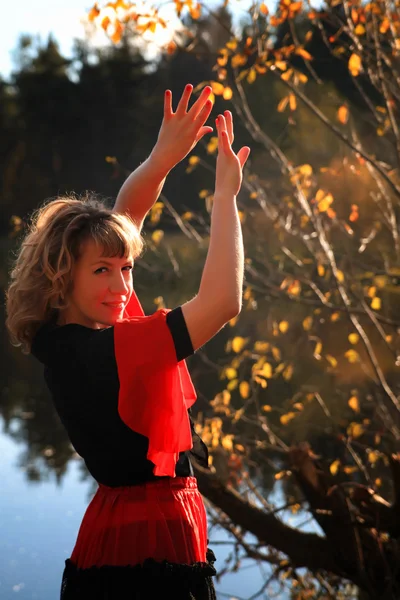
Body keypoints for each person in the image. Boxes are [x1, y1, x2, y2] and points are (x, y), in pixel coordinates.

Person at [5, 84, 250, 599]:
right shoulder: (112, 350)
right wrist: (225, 197)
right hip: (149, 541)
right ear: (60, 276)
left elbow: (126, 212)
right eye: (103, 270)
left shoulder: (75, 336)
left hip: (122, 528)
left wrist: (163, 157)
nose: (122, 287)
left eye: (127, 269)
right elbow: (222, 301)